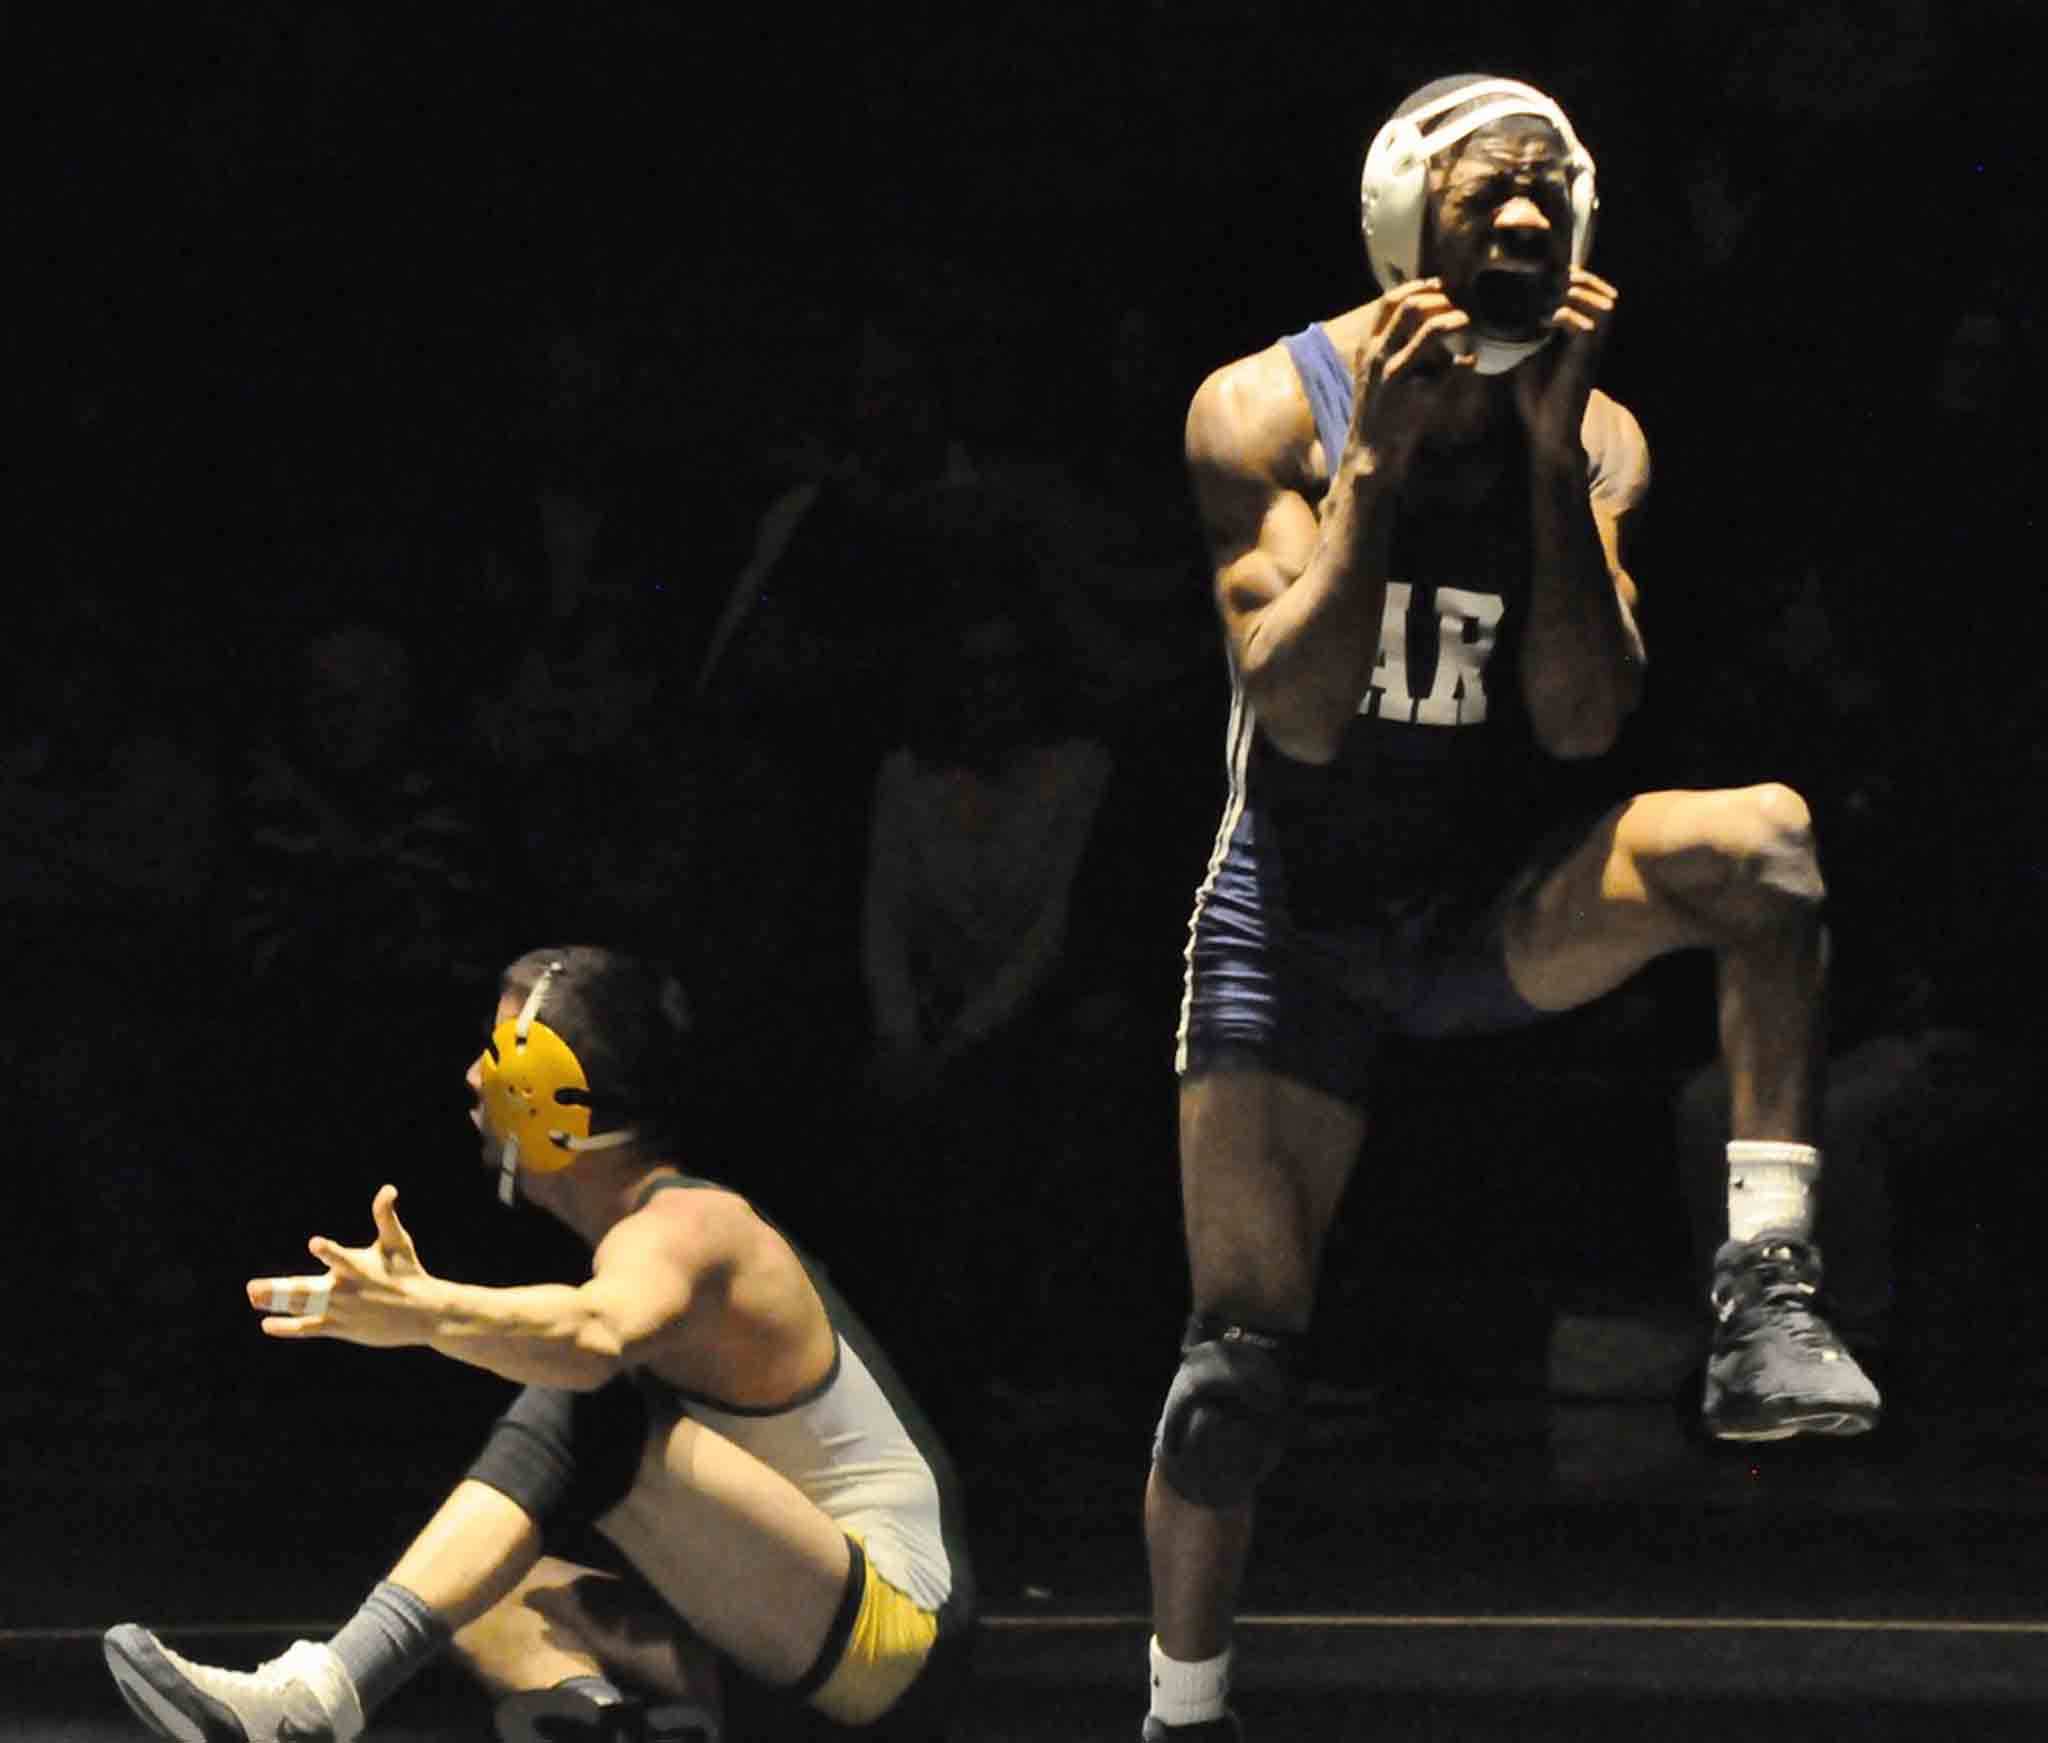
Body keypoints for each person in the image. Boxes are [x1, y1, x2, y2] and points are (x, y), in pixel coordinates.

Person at [1142, 74, 1879, 1741]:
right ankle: (1181, 1715)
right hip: (1302, 915)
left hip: (1488, 902)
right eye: (1490, 202)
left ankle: (1765, 1292)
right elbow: (1305, 709)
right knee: (1230, 1380)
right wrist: (1378, 481)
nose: (1524, 230)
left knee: (1761, 848)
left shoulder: (1595, 423)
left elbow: (1577, 720)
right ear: (1409, 221)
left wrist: (1546, 466)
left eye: (1549, 201)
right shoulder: (1259, 408)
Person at [103, 946, 975, 1743]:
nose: (476, 1077)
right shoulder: (649, 1231)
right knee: (481, 1588)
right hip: (794, 1639)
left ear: (548, 1089)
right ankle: (622, 1730)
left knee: (592, 1408)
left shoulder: (687, 1226)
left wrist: (423, 1309)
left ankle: (312, 1700)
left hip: (891, 1639)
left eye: (499, 1053)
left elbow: (593, 1340)